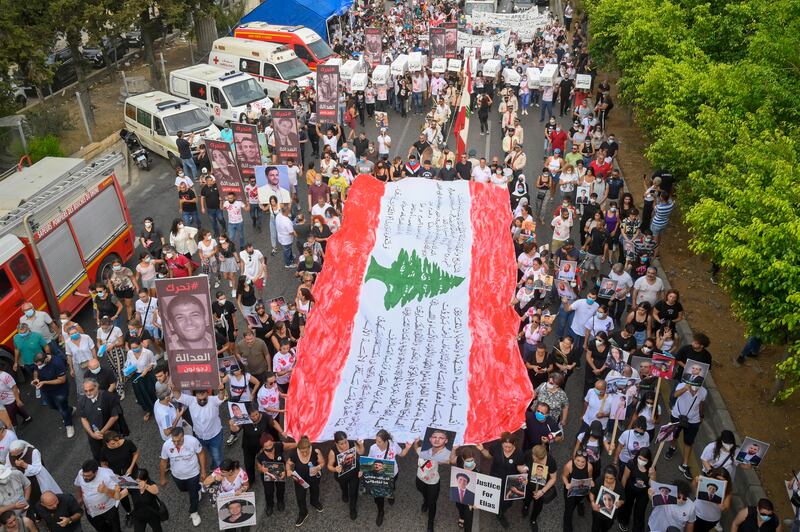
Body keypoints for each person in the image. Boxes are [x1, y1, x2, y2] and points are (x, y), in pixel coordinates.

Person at [477, 432, 528, 528]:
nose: (507, 449)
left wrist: (524, 473)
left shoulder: (519, 453)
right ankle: (499, 514)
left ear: (514, 444)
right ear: (501, 444)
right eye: (505, 446)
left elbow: (520, 467)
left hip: (511, 481)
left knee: (508, 503)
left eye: (510, 447)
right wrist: (482, 449)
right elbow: (489, 455)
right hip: (495, 477)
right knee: (496, 497)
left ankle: (501, 511)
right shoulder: (496, 447)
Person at [159, 426, 205, 527]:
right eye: (173, 441)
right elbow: (163, 462)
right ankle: (198, 488)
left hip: (193, 474)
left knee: (193, 495)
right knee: (183, 489)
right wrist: (162, 477)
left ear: (183, 436)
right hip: (176, 475)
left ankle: (194, 512)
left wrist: (203, 471)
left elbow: (201, 454)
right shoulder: (166, 445)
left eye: (178, 440)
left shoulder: (193, 441)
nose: (175, 443)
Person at [173, 386, 226, 470]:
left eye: (204, 399)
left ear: (207, 393)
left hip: (215, 436)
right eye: (199, 399)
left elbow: (221, 397)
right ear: (195, 395)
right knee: (211, 452)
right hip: (200, 436)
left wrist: (222, 390)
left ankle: (220, 471)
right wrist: (174, 388)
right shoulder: (191, 400)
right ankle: (215, 463)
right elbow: (178, 396)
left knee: (217, 457)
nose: (202, 401)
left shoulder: (213, 400)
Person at [367, 429, 411, 526]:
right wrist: (363, 470)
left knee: (390, 488)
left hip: (392, 474)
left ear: (386, 441)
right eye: (376, 440)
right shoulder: (373, 448)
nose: (376, 443)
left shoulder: (393, 445)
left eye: (379, 441)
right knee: (378, 496)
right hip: (378, 476)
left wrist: (407, 448)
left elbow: (402, 454)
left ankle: (390, 494)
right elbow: (369, 461)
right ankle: (380, 511)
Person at [665, 379, 708, 480]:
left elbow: (701, 404)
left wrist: (701, 415)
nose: (696, 387)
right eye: (694, 384)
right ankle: (672, 447)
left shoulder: (703, 392)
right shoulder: (681, 385)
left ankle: (684, 465)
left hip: (693, 420)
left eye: (698, 385)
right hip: (677, 416)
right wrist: (685, 389)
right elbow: (674, 395)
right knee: (674, 435)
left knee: (689, 442)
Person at [78, 378, 128, 461]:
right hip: (94, 437)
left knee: (117, 453)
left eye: (91, 390)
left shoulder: (108, 397)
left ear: (97, 387)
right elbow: (83, 418)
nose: (88, 393)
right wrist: (92, 434)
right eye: (85, 391)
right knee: (99, 456)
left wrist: (102, 432)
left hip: (110, 433)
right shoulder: (82, 400)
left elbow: (114, 416)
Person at [99, 431, 139, 526]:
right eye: (113, 443)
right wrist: (111, 473)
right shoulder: (104, 450)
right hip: (117, 476)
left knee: (135, 493)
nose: (116, 444)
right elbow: (103, 463)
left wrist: (131, 467)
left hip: (131, 472)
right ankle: (129, 513)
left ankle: (139, 511)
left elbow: (136, 453)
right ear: (106, 443)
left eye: (117, 441)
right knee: (122, 497)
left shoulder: (127, 443)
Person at [31, 352, 74, 438]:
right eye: (37, 365)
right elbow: (36, 371)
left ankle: (69, 425)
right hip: (46, 391)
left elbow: (62, 380)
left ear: (46, 359)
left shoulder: (57, 362)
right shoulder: (38, 361)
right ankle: (70, 410)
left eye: (40, 365)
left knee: (62, 409)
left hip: (59, 390)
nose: (39, 366)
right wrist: (36, 379)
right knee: (52, 406)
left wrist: (44, 382)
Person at [286, 435, 325, 527]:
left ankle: (314, 502)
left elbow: (322, 462)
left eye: (306, 451)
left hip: (314, 477)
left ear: (310, 447)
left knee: (315, 490)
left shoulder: (316, 451)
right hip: (300, 479)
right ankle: (303, 513)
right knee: (300, 497)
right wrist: (288, 470)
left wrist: (318, 467)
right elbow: (288, 463)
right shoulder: (294, 453)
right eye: (301, 451)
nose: (304, 454)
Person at [74, 459, 121, 532]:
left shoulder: (107, 474)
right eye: (84, 475)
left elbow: (116, 495)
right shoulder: (81, 473)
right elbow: (78, 485)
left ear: (96, 472)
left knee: (115, 529)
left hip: (108, 510)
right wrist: (79, 497)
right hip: (91, 512)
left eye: (88, 476)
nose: (85, 477)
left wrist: (106, 490)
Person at [616, 448, 656, 532]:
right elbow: (624, 478)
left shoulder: (652, 467)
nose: (641, 461)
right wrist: (622, 492)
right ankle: (624, 521)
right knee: (627, 505)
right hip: (630, 489)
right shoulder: (631, 463)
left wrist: (652, 475)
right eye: (640, 458)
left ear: (648, 460)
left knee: (640, 511)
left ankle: (637, 529)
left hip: (643, 493)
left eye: (644, 460)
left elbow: (652, 484)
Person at [327, 432, 362, 521]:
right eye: (341, 444)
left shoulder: (351, 443)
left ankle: (352, 509)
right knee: (344, 487)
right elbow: (329, 466)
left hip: (354, 472)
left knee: (353, 492)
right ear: (336, 444)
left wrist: (360, 445)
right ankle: (344, 493)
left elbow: (361, 452)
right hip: (341, 475)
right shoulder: (333, 451)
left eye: (346, 442)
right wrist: (335, 469)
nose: (345, 445)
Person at [125, 338, 157, 420]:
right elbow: (128, 362)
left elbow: (154, 363)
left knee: (151, 392)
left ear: (140, 344)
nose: (134, 349)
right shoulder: (130, 352)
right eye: (132, 348)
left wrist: (147, 369)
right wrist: (128, 369)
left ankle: (157, 408)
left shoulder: (147, 352)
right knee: (140, 394)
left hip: (147, 375)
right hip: (136, 375)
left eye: (136, 347)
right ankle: (148, 410)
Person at [589, 465, 624, 532]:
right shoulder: (599, 481)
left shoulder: (619, 487)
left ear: (615, 477)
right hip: (597, 512)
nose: (608, 480)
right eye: (606, 477)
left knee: (605, 529)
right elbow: (592, 492)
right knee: (595, 528)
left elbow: (623, 499)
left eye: (611, 478)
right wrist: (592, 502)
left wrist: (620, 503)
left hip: (610, 516)